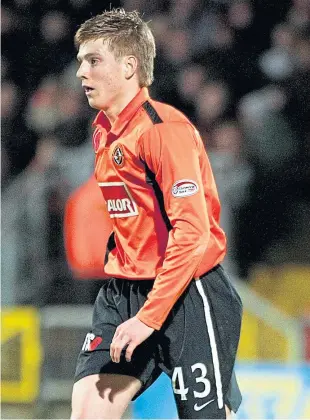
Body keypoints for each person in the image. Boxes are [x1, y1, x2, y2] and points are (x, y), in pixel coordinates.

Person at [71, 8, 242, 420]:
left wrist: (149, 318)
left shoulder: (164, 130)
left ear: (130, 66)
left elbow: (193, 232)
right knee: (89, 413)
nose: (81, 72)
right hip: (125, 293)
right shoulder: (103, 133)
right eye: (81, 61)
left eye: (93, 60)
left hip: (188, 294)